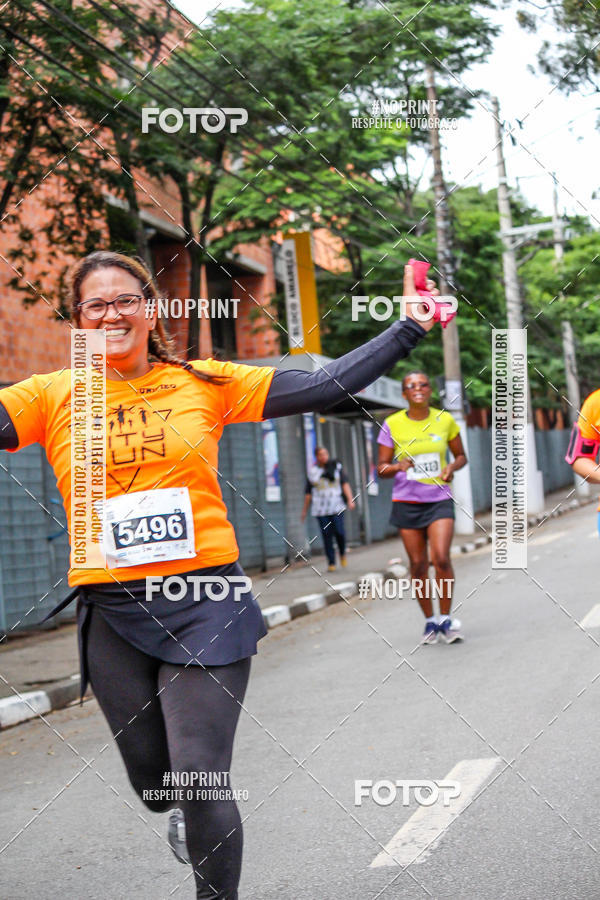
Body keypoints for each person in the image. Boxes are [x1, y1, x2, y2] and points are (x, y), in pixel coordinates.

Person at [0, 253, 437, 899]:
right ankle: (184, 811)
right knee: (158, 783)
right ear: (79, 321)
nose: (113, 313)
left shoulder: (204, 381)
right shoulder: (51, 395)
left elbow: (325, 385)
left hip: (205, 598)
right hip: (112, 609)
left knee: (201, 774)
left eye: (126, 300)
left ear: (151, 310)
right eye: (96, 304)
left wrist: (408, 328)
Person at [376, 372, 467, 645]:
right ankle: (429, 621)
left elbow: (461, 456)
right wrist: (397, 466)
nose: (417, 389)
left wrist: (451, 467)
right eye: (411, 386)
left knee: (440, 557)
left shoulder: (445, 420)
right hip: (406, 502)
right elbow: (381, 468)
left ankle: (446, 619)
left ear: (430, 391)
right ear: (404, 394)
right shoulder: (391, 424)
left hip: (438, 499)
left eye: (423, 384)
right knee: (417, 564)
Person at [301, 446, 356, 571]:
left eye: (326, 453)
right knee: (326, 534)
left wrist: (350, 499)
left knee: (340, 532)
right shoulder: (313, 472)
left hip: (337, 506)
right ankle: (331, 562)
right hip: (320, 509)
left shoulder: (336, 467)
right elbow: (308, 493)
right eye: (321, 454)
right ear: (317, 457)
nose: (324, 456)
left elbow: (344, 483)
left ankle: (342, 553)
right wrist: (304, 510)